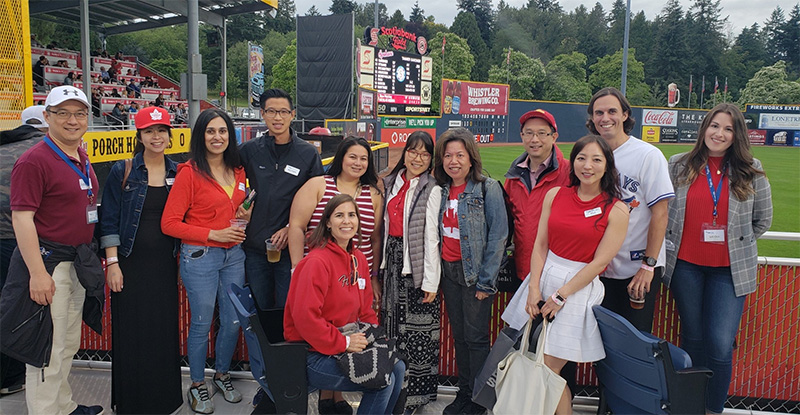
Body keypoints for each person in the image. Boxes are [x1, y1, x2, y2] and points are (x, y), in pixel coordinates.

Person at [0, 86, 104, 415]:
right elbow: (22, 219)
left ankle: (64, 406)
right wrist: (37, 274)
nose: (72, 120)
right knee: (47, 348)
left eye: (79, 113)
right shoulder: (34, 160)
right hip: (50, 264)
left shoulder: (80, 155)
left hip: (75, 261)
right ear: (47, 117)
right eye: (63, 113)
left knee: (67, 342)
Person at [664, 103, 772, 415]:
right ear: (704, 129)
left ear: (737, 135)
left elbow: (762, 220)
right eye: (714, 126)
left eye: (727, 129)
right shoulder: (678, 165)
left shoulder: (751, 168)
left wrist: (733, 244)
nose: (719, 134)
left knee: (721, 344)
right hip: (685, 266)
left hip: (729, 271)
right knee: (693, 339)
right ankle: (689, 408)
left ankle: (712, 409)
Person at [520, 135, 629, 415]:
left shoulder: (616, 209)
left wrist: (560, 295)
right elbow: (540, 245)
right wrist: (534, 288)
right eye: (581, 158)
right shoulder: (555, 195)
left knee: (547, 367)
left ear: (607, 165)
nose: (587, 165)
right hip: (544, 279)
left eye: (596, 159)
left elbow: (599, 263)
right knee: (538, 365)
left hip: (576, 290)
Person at [161, 108, 251, 414]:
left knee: (233, 321)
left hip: (234, 254)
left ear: (230, 135)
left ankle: (222, 375)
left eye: (223, 131)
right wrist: (214, 234)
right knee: (201, 324)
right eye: (211, 131)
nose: (217, 137)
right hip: (200, 256)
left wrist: (242, 216)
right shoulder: (189, 172)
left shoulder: (238, 170)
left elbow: (235, 209)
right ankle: (197, 384)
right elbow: (169, 224)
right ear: (201, 135)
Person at [284, 194, 406, 415]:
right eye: (339, 215)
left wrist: (374, 341)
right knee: (381, 381)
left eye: (352, 215)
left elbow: (366, 310)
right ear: (328, 223)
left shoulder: (357, 258)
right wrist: (344, 341)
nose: (347, 221)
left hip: (343, 343)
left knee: (397, 367)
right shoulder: (315, 262)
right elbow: (305, 319)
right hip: (312, 354)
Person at [99, 106, 182, 414]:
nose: (156, 136)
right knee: (132, 332)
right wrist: (113, 264)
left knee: (162, 331)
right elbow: (108, 219)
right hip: (130, 265)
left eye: (161, 130)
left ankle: (164, 400)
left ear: (169, 135)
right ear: (139, 136)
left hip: (164, 267)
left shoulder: (178, 172)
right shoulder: (123, 170)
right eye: (149, 131)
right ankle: (132, 402)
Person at [432, 127, 508, 415]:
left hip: (475, 276)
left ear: (471, 157)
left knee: (476, 339)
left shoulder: (487, 188)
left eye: (459, 155)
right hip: (449, 274)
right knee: (460, 338)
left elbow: (498, 237)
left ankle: (478, 399)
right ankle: (464, 393)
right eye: (448, 155)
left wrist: (486, 282)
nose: (453, 161)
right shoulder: (439, 190)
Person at [586, 87, 674, 333]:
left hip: (637, 269)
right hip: (598, 271)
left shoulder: (647, 155)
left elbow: (661, 213)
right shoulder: (590, 155)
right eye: (599, 112)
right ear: (592, 118)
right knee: (599, 345)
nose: (605, 118)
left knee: (634, 344)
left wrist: (648, 265)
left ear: (625, 115)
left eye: (612, 111)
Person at [239, 88, 323, 310]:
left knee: (289, 309)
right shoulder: (248, 151)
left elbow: (319, 199)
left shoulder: (307, 153)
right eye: (272, 111)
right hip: (255, 248)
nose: (278, 117)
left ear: (292, 114)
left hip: (291, 250)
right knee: (260, 311)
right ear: (263, 113)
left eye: (283, 111)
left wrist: (290, 227)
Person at [377, 131, 442, 411]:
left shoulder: (433, 187)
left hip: (415, 268)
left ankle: (416, 398)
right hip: (391, 264)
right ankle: (393, 393)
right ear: (404, 153)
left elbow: (431, 238)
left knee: (419, 336)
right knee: (392, 331)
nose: (418, 158)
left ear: (431, 159)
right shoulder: (390, 182)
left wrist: (430, 281)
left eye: (425, 153)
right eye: (413, 151)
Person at [0, 105, 48, 397]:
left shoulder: (5, 146)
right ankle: (13, 376)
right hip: (24, 244)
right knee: (21, 311)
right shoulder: (45, 152)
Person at [504, 109, 571, 281]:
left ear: (554, 136)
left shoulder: (571, 173)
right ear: (522, 136)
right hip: (524, 270)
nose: (535, 140)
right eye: (529, 133)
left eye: (542, 133)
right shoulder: (513, 177)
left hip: (560, 274)